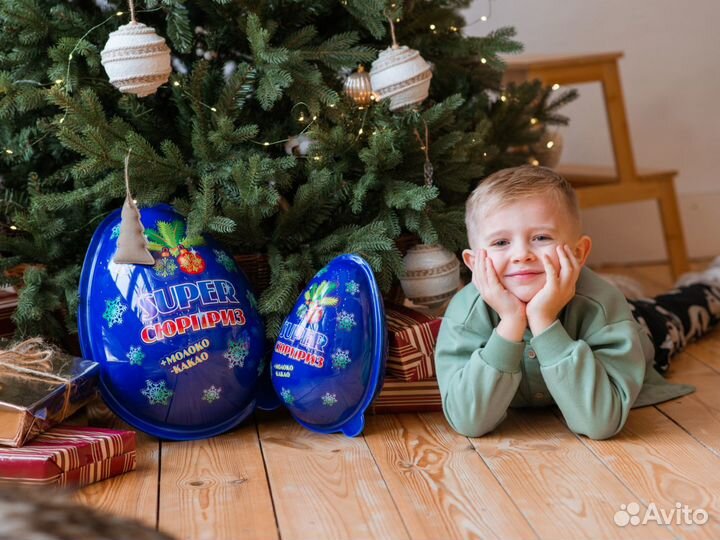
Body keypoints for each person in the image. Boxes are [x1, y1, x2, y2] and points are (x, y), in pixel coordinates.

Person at [435, 165, 720, 440]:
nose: (521, 254)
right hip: (601, 301)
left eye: (541, 237)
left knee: (681, 311)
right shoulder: (464, 313)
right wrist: (510, 323)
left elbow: (599, 422)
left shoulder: (602, 305)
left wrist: (544, 322)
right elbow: (468, 420)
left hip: (641, 326)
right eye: (500, 243)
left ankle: (709, 283)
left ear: (579, 253)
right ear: (473, 263)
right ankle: (629, 287)